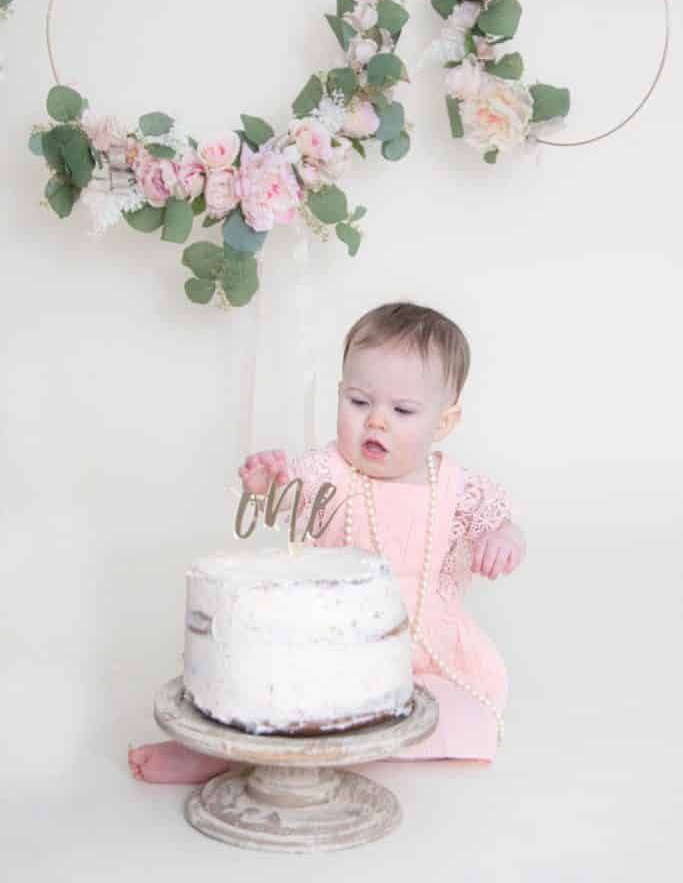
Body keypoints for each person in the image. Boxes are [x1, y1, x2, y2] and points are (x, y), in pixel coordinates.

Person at [129, 301, 526, 783]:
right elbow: (285, 496)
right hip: (335, 644)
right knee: (282, 691)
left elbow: (499, 522)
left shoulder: (456, 487)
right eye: (359, 402)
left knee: (465, 708)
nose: (376, 421)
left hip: (430, 652)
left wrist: (503, 540)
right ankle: (224, 751)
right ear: (339, 395)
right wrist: (266, 482)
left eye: (402, 410)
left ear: (442, 423)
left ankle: (351, 741)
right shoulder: (332, 472)